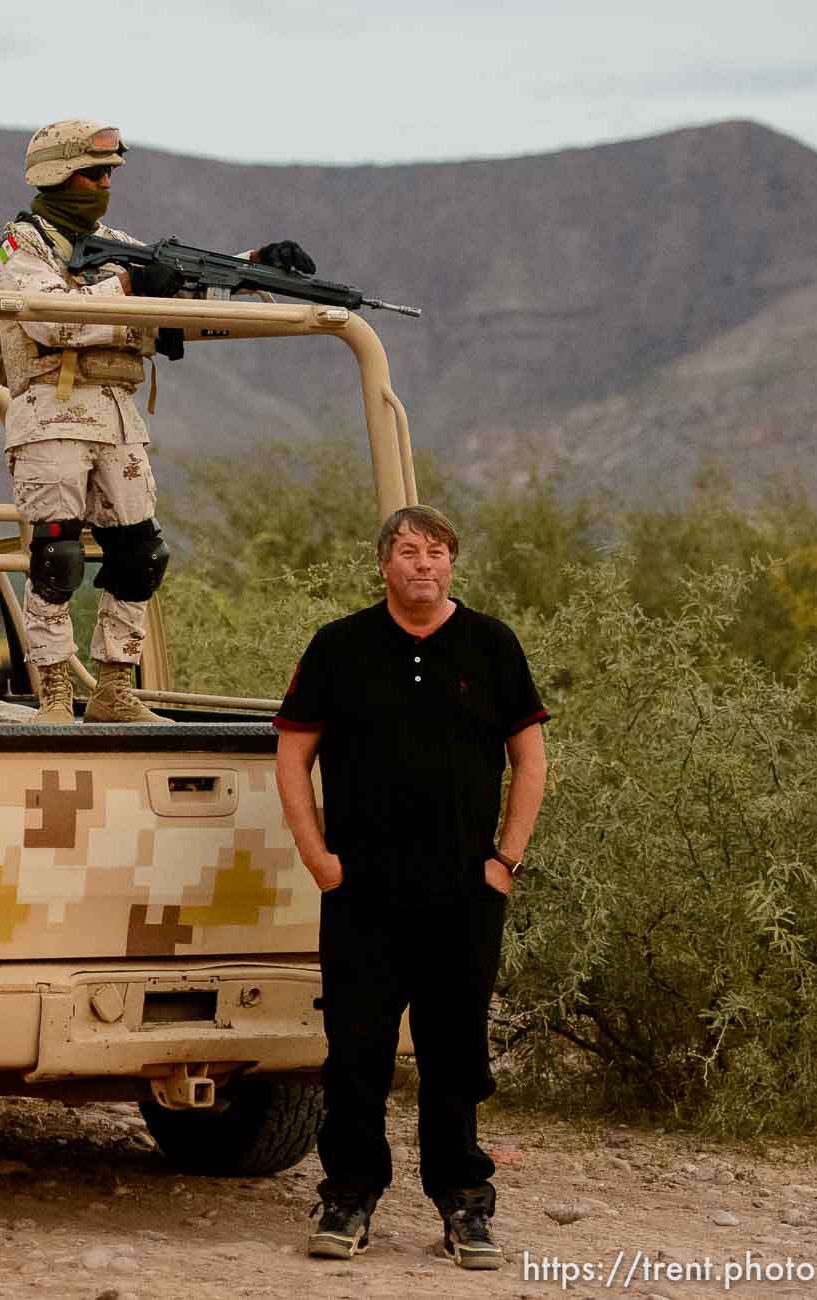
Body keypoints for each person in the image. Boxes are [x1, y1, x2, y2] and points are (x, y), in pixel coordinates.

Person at [272, 505, 549, 1270]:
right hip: (361, 890)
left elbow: (530, 759)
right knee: (355, 1051)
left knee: (453, 1052)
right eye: (406, 551)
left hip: (464, 891)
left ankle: (463, 1204)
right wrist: (317, 856)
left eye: (434, 552)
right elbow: (292, 755)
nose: (421, 564)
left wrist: (504, 862)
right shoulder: (340, 646)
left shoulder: (490, 644)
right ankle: (348, 1197)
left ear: (451, 564)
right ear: (383, 565)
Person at [0, 118, 314, 723]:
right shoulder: (21, 245)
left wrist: (252, 266)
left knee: (140, 555)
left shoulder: (114, 241)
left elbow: (182, 296)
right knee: (57, 557)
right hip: (52, 412)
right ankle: (55, 694)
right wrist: (130, 283)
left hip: (117, 414)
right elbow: (48, 321)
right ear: (57, 174)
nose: (104, 184)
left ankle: (115, 688)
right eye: (93, 173)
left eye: (110, 173)